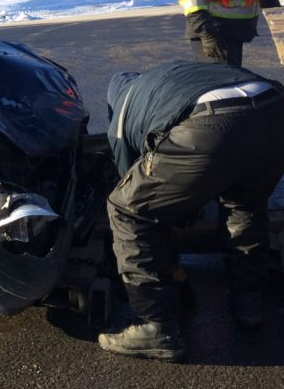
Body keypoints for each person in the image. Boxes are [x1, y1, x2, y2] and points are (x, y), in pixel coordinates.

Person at [98, 60, 284, 361]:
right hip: (274, 110)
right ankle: (249, 303)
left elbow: (136, 189)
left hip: (212, 125)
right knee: (244, 205)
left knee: (126, 210)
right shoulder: (168, 77)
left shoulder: (123, 107)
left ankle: (155, 326)